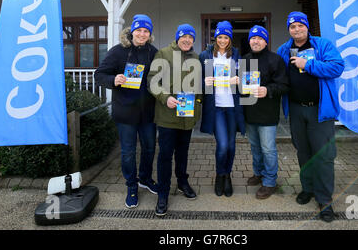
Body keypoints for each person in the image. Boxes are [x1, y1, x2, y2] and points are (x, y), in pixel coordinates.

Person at [277, 11, 345, 223]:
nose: (296, 29)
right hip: (296, 110)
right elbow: (277, 74)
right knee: (303, 152)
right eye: (292, 27)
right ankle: (307, 189)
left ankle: (325, 200)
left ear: (306, 27)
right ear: (289, 30)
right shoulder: (284, 49)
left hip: (319, 110)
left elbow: (337, 67)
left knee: (323, 156)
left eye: (300, 25)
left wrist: (308, 65)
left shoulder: (322, 45)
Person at [94, 14, 158, 209]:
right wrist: (114, 80)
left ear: (149, 34)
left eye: (146, 31)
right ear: (132, 31)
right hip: (125, 114)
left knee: (149, 148)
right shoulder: (118, 51)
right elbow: (100, 74)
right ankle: (131, 185)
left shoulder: (154, 53)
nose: (142, 34)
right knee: (128, 152)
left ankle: (145, 178)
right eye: (139, 30)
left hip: (148, 113)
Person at [147, 23, 202, 216]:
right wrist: (165, 97)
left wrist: (197, 109)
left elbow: (198, 87)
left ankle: (182, 182)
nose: (187, 40)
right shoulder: (163, 53)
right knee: (165, 155)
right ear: (177, 37)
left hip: (187, 117)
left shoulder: (196, 57)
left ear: (193, 40)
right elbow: (152, 82)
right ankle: (163, 193)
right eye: (184, 36)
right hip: (168, 117)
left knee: (183, 153)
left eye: (190, 37)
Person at [242, 25, 289, 199]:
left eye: (260, 38)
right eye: (253, 38)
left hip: (268, 114)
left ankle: (270, 181)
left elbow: (284, 86)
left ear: (266, 41)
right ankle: (259, 173)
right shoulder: (244, 59)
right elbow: (242, 87)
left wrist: (267, 90)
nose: (256, 41)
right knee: (255, 147)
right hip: (250, 112)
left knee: (268, 149)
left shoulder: (275, 60)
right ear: (249, 41)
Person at [199, 21, 245, 197]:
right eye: (220, 37)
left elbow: (243, 80)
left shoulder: (236, 55)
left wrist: (239, 80)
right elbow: (198, 81)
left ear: (230, 38)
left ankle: (227, 175)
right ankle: (220, 174)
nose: (223, 40)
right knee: (223, 145)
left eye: (226, 37)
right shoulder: (205, 55)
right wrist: (205, 83)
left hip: (232, 107)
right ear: (215, 37)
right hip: (216, 107)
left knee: (232, 147)